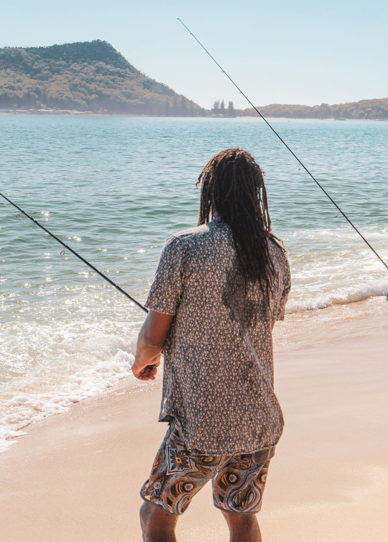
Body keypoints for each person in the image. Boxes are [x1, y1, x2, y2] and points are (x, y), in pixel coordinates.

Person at [131, 149, 291, 542]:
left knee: (156, 514)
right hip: (258, 418)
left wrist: (143, 362)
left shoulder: (184, 246)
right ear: (256, 194)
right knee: (240, 517)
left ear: (210, 192)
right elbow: (253, 326)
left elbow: (153, 337)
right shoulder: (274, 254)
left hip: (201, 422)